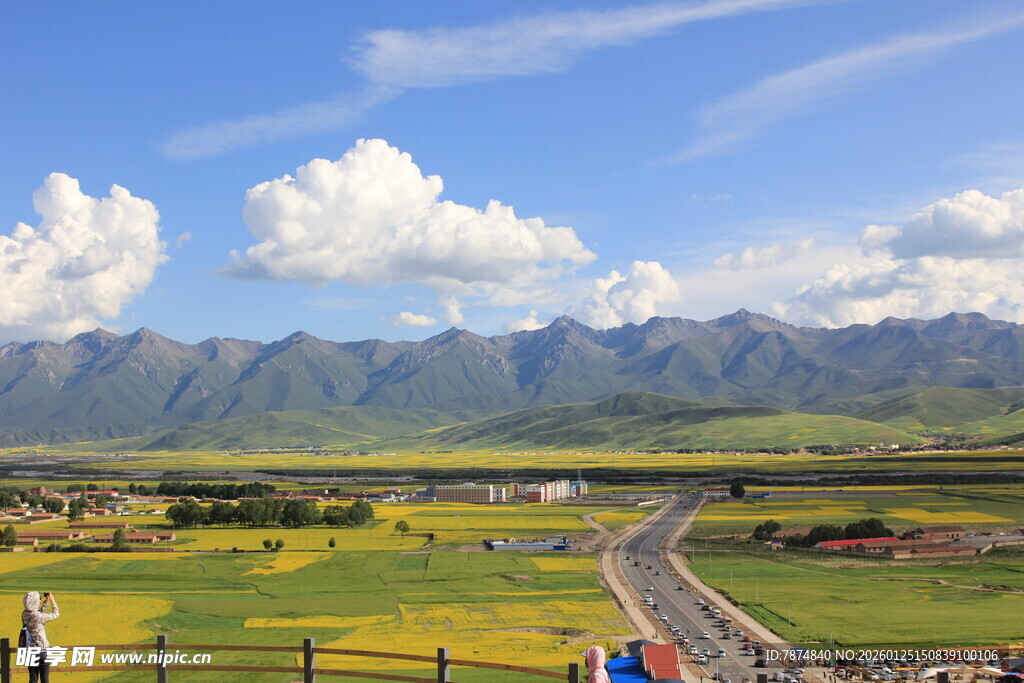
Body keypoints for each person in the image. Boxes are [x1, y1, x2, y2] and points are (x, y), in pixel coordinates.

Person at [22, 591, 59, 683]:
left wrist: (46, 602)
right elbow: (55, 614)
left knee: (33, 679)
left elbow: (37, 613)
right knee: (45, 679)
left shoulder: (24, 614)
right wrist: (53, 601)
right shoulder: (38, 616)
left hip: (30, 651)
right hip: (42, 650)